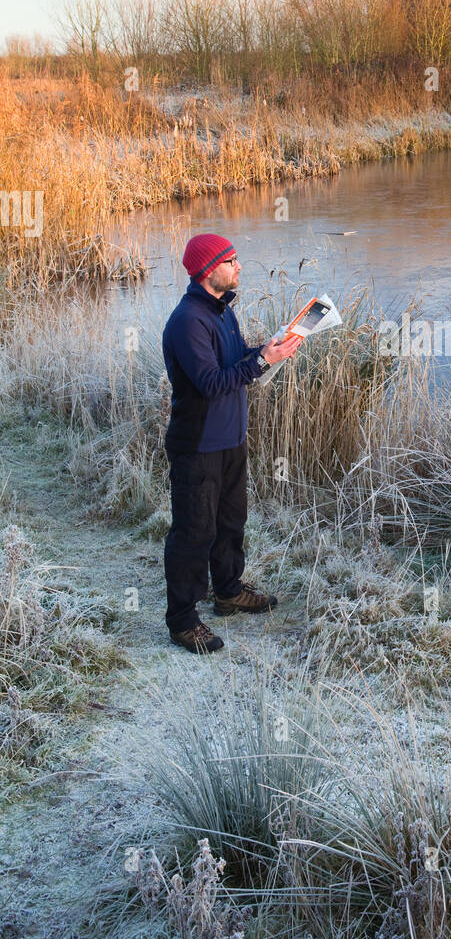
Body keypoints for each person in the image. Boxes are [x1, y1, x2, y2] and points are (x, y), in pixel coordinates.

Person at [160, 233, 301, 653]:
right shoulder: (188, 321)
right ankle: (183, 621)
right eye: (232, 261)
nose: (239, 267)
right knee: (193, 533)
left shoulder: (223, 311)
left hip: (230, 440)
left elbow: (239, 360)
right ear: (209, 270)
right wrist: (262, 362)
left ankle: (228, 592)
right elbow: (209, 382)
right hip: (197, 445)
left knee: (230, 522)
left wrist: (269, 349)